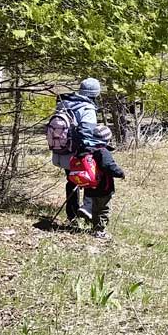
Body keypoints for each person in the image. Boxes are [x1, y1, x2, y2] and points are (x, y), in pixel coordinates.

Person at [52, 78, 101, 226]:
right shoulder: (87, 108)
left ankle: (71, 215)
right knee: (89, 180)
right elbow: (88, 132)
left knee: (71, 181)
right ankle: (86, 211)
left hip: (62, 150)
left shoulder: (63, 104)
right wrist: (90, 152)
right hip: (78, 153)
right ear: (95, 93)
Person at [81, 125, 125, 239]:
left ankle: (95, 226)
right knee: (104, 209)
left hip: (90, 185)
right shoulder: (102, 151)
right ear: (106, 139)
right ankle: (100, 231)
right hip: (103, 186)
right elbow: (108, 166)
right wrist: (120, 173)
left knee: (95, 208)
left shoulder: (86, 149)